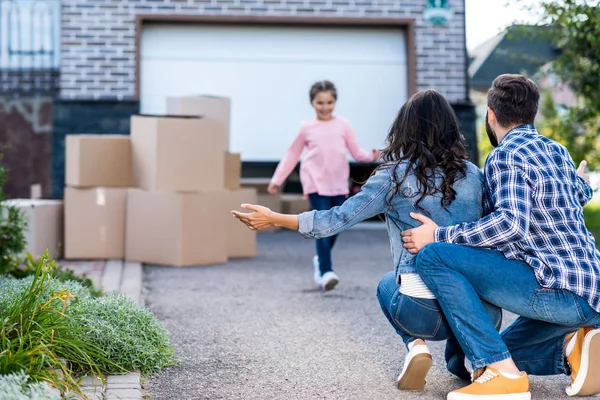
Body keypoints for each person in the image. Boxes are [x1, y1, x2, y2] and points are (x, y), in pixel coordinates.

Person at [232, 89, 501, 390]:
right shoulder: (476, 175)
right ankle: (472, 359)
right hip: (481, 314)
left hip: (421, 314)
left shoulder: (394, 176)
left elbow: (337, 218)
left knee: (387, 284)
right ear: (452, 129)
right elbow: (493, 233)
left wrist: (275, 217)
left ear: (406, 128)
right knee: (466, 287)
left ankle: (416, 346)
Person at [402, 74, 600, 400]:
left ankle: (503, 376)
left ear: (491, 115)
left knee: (433, 256)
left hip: (559, 292)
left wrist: (438, 233)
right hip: (589, 291)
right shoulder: (557, 151)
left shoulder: (505, 155)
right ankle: (573, 348)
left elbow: (511, 225)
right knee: (487, 357)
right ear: (532, 113)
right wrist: (581, 183)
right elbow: (572, 194)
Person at [267, 80, 379, 291]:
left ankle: (320, 260)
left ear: (335, 102)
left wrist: (372, 155)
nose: (325, 107)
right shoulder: (306, 128)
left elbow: (356, 152)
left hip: (338, 184)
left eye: (329, 102)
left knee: (336, 225)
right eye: (320, 103)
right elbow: (292, 154)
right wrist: (277, 179)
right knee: (321, 225)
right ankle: (326, 271)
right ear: (312, 103)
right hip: (315, 183)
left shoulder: (343, 125)